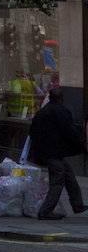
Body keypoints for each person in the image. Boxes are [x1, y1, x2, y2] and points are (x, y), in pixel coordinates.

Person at [27, 85, 87, 220]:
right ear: (61, 99)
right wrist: (81, 144)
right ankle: (45, 211)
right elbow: (69, 131)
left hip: (46, 152)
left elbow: (32, 132)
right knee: (58, 180)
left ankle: (77, 205)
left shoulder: (42, 112)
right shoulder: (61, 111)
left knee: (69, 175)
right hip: (53, 153)